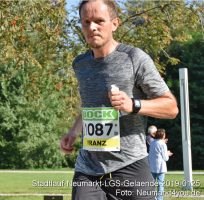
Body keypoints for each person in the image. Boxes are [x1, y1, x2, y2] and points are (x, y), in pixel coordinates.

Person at [59, 0, 178, 200]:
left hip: (130, 166)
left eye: (99, 21)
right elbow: (90, 106)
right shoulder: (80, 64)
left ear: (115, 23)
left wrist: (133, 105)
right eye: (86, 22)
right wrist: (73, 131)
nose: (92, 27)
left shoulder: (134, 58)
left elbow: (171, 107)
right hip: (88, 170)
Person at [148, 129, 173, 200]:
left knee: (151, 184)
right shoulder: (163, 144)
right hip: (160, 167)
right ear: (162, 135)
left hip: (152, 166)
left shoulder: (152, 143)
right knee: (160, 184)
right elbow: (165, 158)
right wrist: (168, 154)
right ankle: (159, 198)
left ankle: (151, 197)